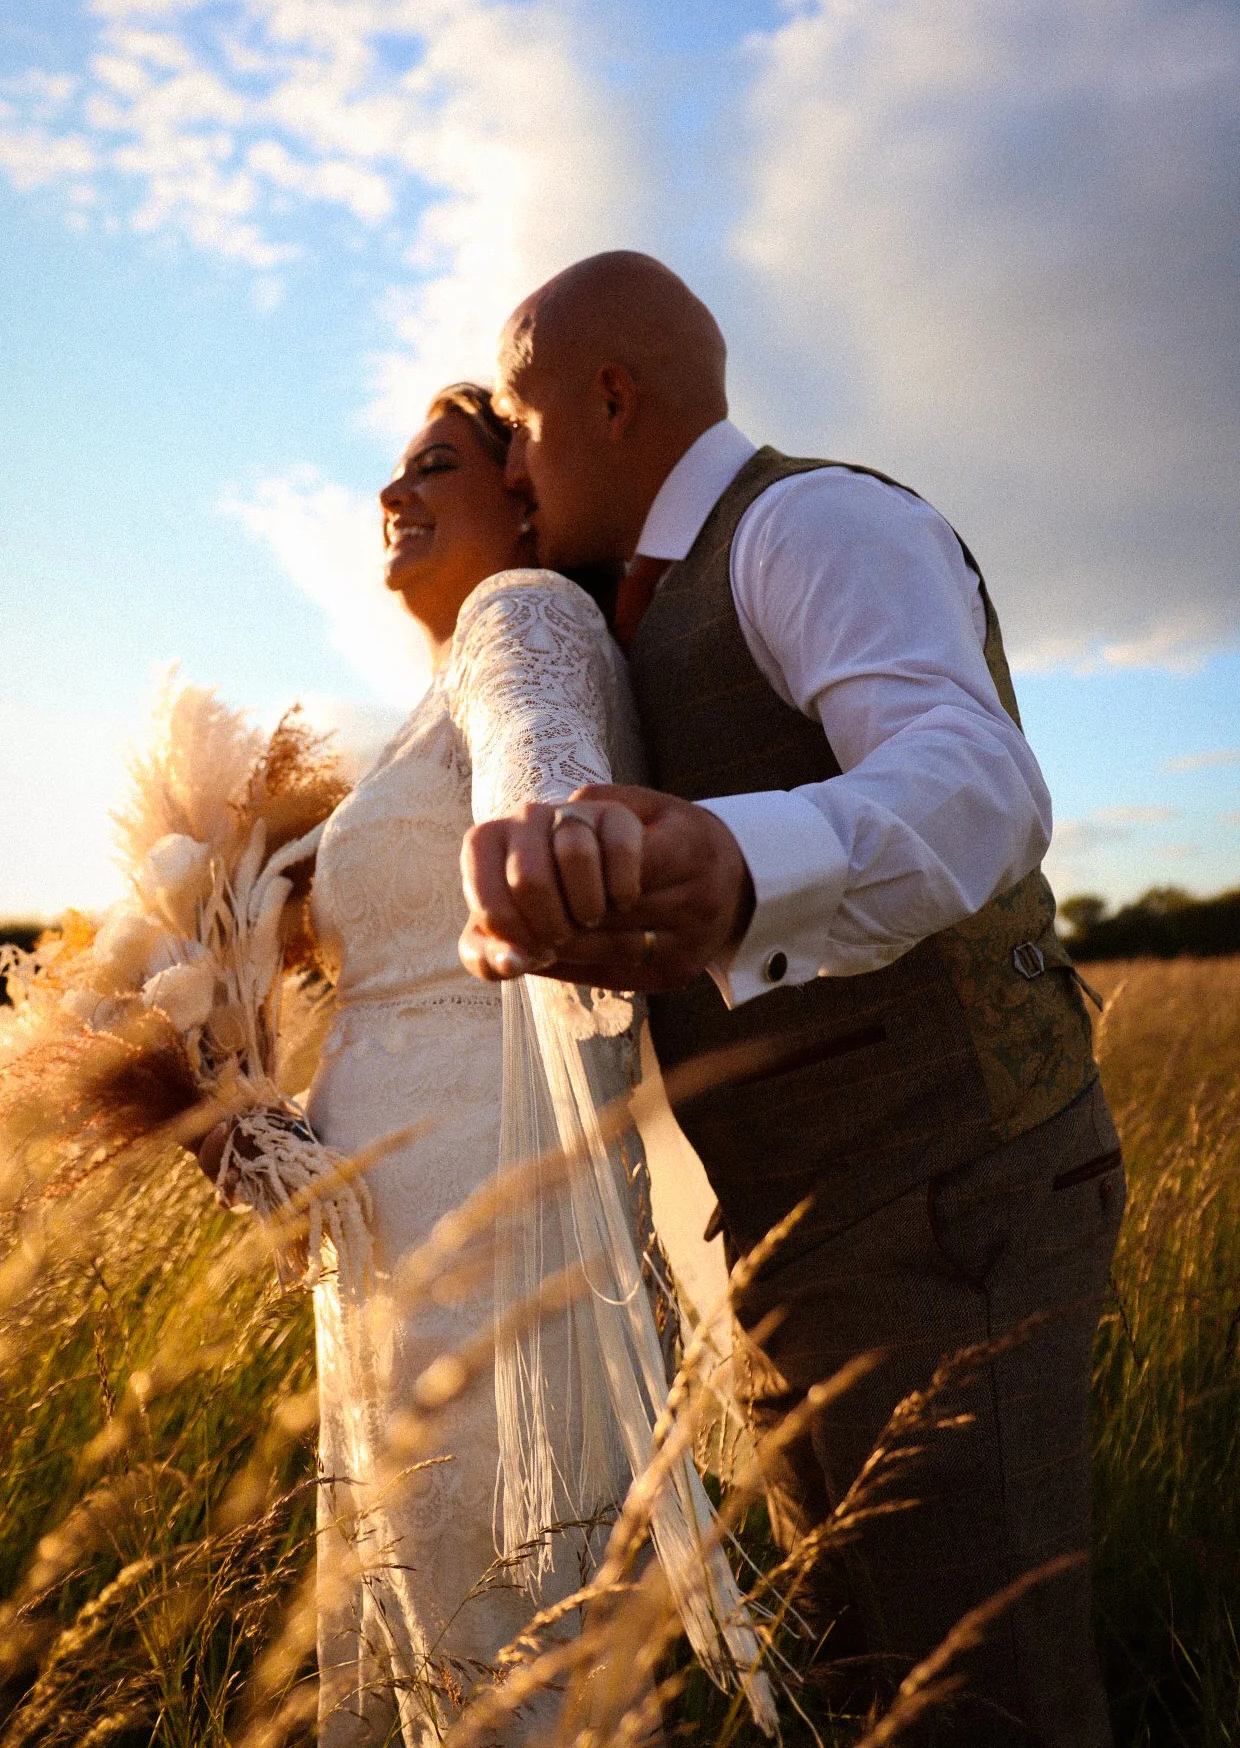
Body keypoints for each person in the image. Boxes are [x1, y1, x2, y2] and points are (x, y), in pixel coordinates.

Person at [458, 253, 1126, 1746]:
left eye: (521, 415)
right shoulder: (620, 617)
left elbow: (973, 778)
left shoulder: (810, 521)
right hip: (804, 1228)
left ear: (613, 395)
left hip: (956, 1200)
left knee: (987, 1701)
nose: (511, 457)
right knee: (871, 1674)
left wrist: (739, 861)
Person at [246, 381, 766, 1748]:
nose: (392, 491)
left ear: (524, 498)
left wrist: (550, 828)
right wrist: (244, 1112)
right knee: (454, 1629)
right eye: (392, 469)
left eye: (436, 464)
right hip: (394, 1237)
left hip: (487, 1226)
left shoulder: (519, 616)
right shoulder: (414, 718)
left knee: (507, 1637)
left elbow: (540, 742)